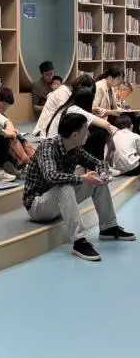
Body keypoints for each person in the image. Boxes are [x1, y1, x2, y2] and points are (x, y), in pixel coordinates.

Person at [23, 112, 135, 261]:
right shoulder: (48, 147)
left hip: (56, 201)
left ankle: (108, 227)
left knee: (96, 180)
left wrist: (103, 174)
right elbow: (51, 176)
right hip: (37, 205)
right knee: (65, 186)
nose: (88, 133)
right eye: (85, 130)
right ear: (75, 135)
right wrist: (82, 178)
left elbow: (98, 163)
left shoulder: (75, 148)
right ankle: (79, 241)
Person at [46, 83, 116, 163]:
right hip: (59, 147)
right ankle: (99, 160)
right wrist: (117, 135)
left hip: (56, 141)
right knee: (100, 132)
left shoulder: (68, 106)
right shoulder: (76, 110)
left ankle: (97, 162)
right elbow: (106, 124)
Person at [0, 86, 35, 173]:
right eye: (3, 107)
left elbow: (8, 126)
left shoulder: (0, 112)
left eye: (7, 107)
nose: (4, 109)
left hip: (1, 137)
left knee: (23, 141)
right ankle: (24, 160)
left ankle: (33, 159)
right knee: (10, 138)